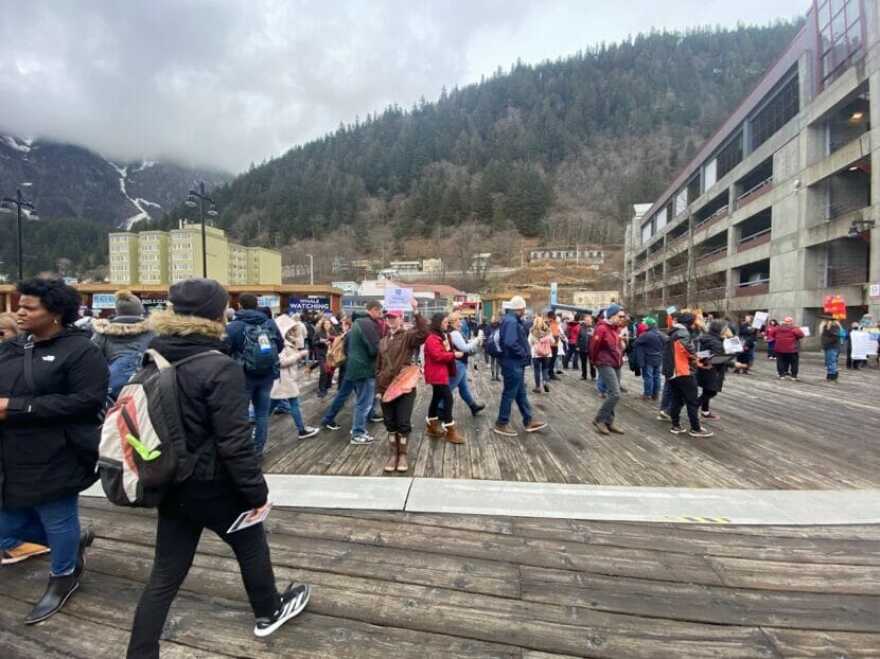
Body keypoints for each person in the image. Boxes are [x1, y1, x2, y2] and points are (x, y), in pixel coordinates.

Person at [126, 279, 310, 656]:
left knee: (164, 575)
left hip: (170, 479)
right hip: (213, 485)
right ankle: (268, 610)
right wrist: (257, 494)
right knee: (250, 542)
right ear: (216, 313)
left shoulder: (154, 354)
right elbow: (235, 443)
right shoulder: (219, 366)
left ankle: (140, 652)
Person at [0, 277, 108, 623]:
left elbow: (87, 401)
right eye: (20, 305)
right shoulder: (14, 347)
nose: (20, 311)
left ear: (56, 313)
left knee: (57, 516)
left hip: (58, 453)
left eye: (29, 307)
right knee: (7, 526)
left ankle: (63, 576)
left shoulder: (82, 351)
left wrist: (16, 407)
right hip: (11, 453)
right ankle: (71, 540)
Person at [225, 294, 283, 455]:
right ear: (257, 304)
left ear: (239, 305)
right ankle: (258, 449)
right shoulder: (269, 323)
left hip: (243, 375)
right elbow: (280, 345)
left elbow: (225, 349)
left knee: (241, 414)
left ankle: (243, 449)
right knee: (262, 414)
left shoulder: (234, 326)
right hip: (267, 375)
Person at [376, 301, 429, 472]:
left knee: (403, 422)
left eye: (393, 317)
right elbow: (378, 366)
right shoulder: (382, 341)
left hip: (404, 386)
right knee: (390, 422)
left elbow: (424, 333)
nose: (390, 320)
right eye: (388, 317)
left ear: (401, 318)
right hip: (385, 387)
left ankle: (403, 454)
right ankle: (393, 454)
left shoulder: (408, 337)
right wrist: (378, 389)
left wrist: (416, 310)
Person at [321, 301, 382, 444]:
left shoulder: (356, 324)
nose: (380, 315)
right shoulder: (368, 325)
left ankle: (329, 419)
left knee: (344, 396)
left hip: (352, 367)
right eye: (379, 312)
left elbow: (347, 347)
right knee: (364, 402)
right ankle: (358, 432)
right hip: (363, 369)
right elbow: (374, 349)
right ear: (373, 310)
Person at [493, 297, 548, 437]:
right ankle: (501, 423)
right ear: (520, 308)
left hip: (512, 363)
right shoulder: (511, 321)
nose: (524, 311)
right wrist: (523, 353)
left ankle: (528, 420)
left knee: (520, 392)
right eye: (523, 308)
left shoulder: (509, 320)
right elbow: (510, 342)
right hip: (513, 363)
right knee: (510, 393)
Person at [91, 290, 155, 400]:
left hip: (110, 388)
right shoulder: (152, 332)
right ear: (140, 311)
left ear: (117, 311)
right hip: (144, 388)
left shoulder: (102, 333)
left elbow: (91, 360)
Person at [662, 312, 713, 438]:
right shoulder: (684, 333)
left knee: (676, 399)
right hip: (683, 371)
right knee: (692, 401)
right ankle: (695, 428)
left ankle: (676, 426)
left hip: (671, 372)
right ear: (690, 322)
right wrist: (698, 360)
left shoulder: (672, 332)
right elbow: (689, 351)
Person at [270, 321, 319, 439]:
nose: (298, 332)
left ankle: (255, 429)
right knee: (293, 404)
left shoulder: (287, 343)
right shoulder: (283, 344)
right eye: (296, 329)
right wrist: (299, 355)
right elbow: (281, 362)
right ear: (289, 331)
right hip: (284, 380)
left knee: (269, 408)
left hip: (284, 380)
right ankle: (302, 430)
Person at [423, 313, 465, 444]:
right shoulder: (432, 338)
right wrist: (454, 354)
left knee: (436, 398)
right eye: (445, 322)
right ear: (438, 323)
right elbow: (437, 356)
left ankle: (431, 425)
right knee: (448, 398)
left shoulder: (439, 336)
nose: (447, 324)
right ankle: (449, 429)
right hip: (437, 373)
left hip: (439, 372)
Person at [590, 303, 628, 435]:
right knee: (615, 393)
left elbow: (617, 347)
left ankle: (609, 422)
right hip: (605, 363)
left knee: (614, 393)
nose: (622, 318)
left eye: (623, 316)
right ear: (612, 315)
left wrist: (622, 343)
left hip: (616, 363)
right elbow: (594, 347)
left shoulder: (615, 329)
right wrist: (594, 361)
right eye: (620, 316)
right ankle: (599, 419)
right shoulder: (602, 329)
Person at [447, 312, 486, 415]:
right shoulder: (454, 333)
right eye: (459, 320)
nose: (461, 322)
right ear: (454, 321)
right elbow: (465, 348)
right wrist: (477, 340)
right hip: (458, 364)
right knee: (449, 388)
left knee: (463, 388)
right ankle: (440, 408)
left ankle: (473, 406)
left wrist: (472, 340)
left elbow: (463, 343)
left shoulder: (453, 332)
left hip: (459, 364)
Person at [696, 320, 729, 420]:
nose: (726, 330)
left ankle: (705, 411)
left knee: (707, 389)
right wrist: (733, 363)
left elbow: (704, 354)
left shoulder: (705, 337)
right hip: (712, 370)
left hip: (703, 367)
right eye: (725, 329)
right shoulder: (716, 342)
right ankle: (693, 406)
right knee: (711, 391)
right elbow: (717, 358)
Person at [633, 317, 664, 401]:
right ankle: (655, 395)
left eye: (645, 324)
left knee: (648, 377)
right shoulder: (661, 334)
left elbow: (635, 343)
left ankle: (647, 394)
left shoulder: (646, 335)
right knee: (657, 377)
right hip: (659, 358)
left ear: (648, 325)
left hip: (648, 359)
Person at [528, 315, 553, 393]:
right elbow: (552, 341)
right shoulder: (548, 331)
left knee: (537, 370)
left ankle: (538, 387)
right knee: (545, 369)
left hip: (536, 354)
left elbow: (529, 342)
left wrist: (535, 344)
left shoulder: (532, 331)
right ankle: (545, 381)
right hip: (546, 353)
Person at [313, 316, 336, 398]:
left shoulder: (333, 331)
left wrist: (332, 340)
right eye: (326, 324)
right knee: (323, 370)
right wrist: (321, 341)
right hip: (321, 354)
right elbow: (314, 342)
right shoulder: (318, 332)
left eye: (328, 324)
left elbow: (336, 340)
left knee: (330, 370)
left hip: (330, 354)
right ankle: (321, 389)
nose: (327, 325)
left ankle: (327, 386)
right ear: (323, 325)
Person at [819, 317, 842, 382]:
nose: (823, 321)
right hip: (828, 346)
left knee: (831, 361)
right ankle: (830, 375)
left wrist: (826, 342)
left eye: (824, 320)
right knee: (829, 362)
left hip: (832, 347)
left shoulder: (833, 327)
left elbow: (835, 337)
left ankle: (832, 376)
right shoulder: (827, 327)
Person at [576, 314, 595, 380]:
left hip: (591, 348)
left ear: (591, 320)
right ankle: (584, 375)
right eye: (586, 320)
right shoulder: (581, 328)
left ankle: (593, 376)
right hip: (582, 347)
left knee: (592, 363)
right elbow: (578, 337)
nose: (587, 321)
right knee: (583, 363)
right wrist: (577, 346)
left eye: (588, 320)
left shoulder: (594, 327)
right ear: (584, 321)